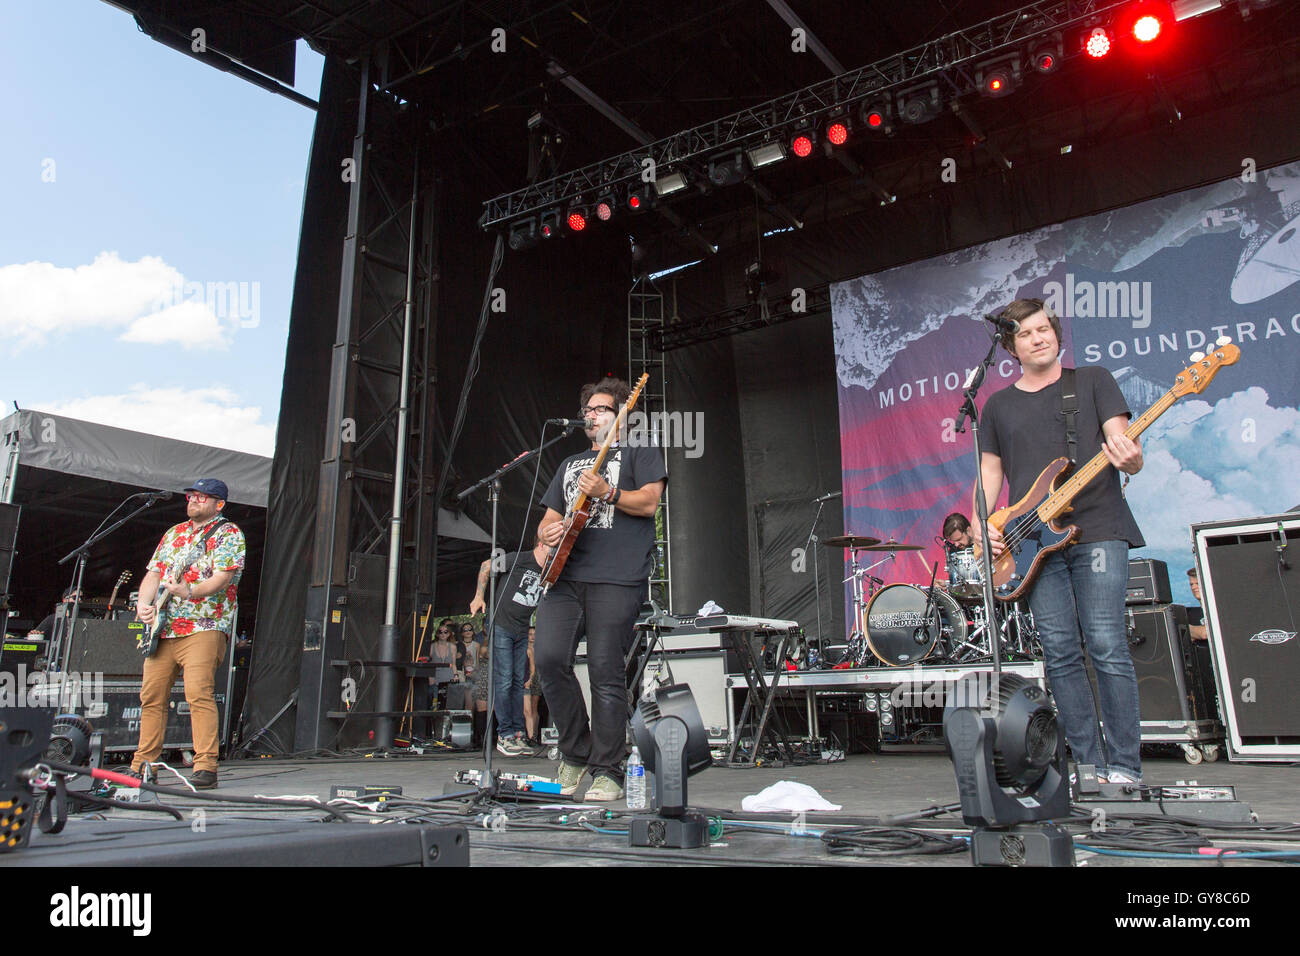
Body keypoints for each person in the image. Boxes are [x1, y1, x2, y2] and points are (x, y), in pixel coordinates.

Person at [974, 299, 1145, 785]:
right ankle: (1088, 768)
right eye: (1026, 333)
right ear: (1011, 346)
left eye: (1044, 328)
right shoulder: (998, 405)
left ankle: (1126, 768)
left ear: (1056, 333)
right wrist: (983, 524)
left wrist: (1131, 457)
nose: (1038, 337)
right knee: (1062, 653)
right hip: (1030, 542)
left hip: (1099, 526)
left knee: (1108, 644)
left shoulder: (1092, 380)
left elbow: (1122, 441)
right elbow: (990, 474)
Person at [534, 376, 667, 802]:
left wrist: (609, 491)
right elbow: (547, 519)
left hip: (617, 576)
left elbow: (649, 503)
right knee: (549, 659)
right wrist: (547, 535)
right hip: (565, 576)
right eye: (587, 410)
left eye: (601, 409)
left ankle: (608, 769)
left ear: (622, 416)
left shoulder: (642, 452)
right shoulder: (568, 463)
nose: (591, 415)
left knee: (605, 672)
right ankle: (575, 752)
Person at [132, 478, 245, 789]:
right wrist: (144, 604)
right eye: (191, 495)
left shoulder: (228, 533)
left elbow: (223, 578)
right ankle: (143, 764)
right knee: (151, 696)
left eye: (202, 496)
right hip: (163, 628)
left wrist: (190, 590)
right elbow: (154, 573)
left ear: (218, 504)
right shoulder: (174, 533)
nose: (193, 500)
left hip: (204, 626)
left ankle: (205, 765)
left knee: (198, 693)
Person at [470, 536, 547, 756]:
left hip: (522, 630)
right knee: (503, 680)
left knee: (518, 681)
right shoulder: (519, 559)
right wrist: (478, 597)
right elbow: (486, 565)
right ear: (540, 545)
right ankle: (504, 734)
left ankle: (518, 733)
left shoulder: (551, 570)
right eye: (551, 547)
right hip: (501, 625)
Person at [522, 625, 544, 748]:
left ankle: (534, 734)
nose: (532, 636)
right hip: (527, 677)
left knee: (534, 705)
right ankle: (527, 734)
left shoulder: (540, 647)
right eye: (530, 634)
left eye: (534, 634)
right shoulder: (523, 647)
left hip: (537, 677)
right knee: (527, 706)